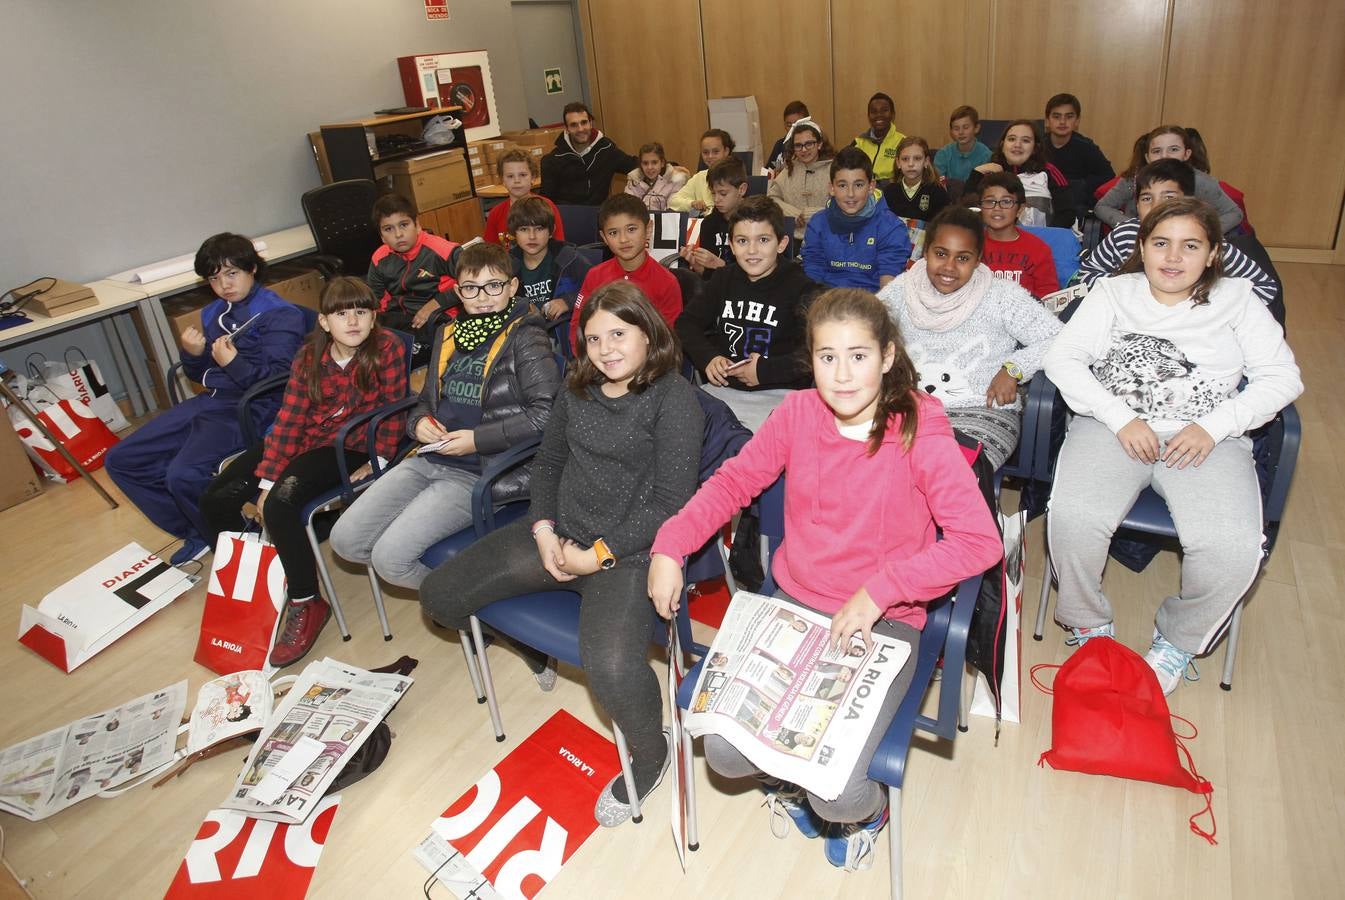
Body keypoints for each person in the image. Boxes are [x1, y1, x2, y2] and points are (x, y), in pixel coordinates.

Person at [648, 288, 1001, 870]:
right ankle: (794, 775)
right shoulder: (797, 413)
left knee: (836, 796)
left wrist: (882, 590)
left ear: (887, 357)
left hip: (884, 619)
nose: (841, 375)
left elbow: (979, 541)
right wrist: (671, 544)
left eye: (858, 356)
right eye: (826, 357)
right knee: (725, 757)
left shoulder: (918, 432)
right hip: (795, 601)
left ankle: (867, 815)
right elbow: (734, 482)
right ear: (809, 360)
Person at [420, 281, 705, 827]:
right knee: (440, 596)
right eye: (594, 339)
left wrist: (596, 555)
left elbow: (671, 503)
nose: (606, 350)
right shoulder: (579, 388)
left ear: (648, 334)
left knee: (612, 669)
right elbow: (548, 465)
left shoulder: (674, 399)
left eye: (618, 334)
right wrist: (545, 528)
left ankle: (651, 753)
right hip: (561, 536)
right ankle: (530, 647)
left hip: (628, 554)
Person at [1043, 197, 1301, 695]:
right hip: (1113, 427)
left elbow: (1282, 377)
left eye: (1191, 246)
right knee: (1073, 517)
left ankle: (1177, 641)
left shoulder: (1238, 299)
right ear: (1142, 247)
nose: (1173, 257)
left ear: (1213, 253)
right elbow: (1064, 359)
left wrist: (1216, 425)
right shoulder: (1113, 292)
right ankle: (1088, 622)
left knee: (1233, 546)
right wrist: (1120, 417)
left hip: (1206, 437)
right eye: (1161, 243)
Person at [199, 276, 408, 666]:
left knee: (281, 504)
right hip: (307, 437)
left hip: (348, 445)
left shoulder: (387, 348)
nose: (353, 321)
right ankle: (266, 575)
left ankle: (307, 600)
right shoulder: (309, 356)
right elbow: (291, 419)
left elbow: (394, 410)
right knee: (217, 497)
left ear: (373, 317)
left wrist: (377, 458)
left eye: (361, 312)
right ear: (324, 322)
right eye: (341, 314)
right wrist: (267, 478)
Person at [330, 243, 560, 592]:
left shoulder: (527, 337)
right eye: (471, 288)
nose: (482, 297)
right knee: (345, 540)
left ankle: (468, 605)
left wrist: (476, 440)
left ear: (512, 287)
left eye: (493, 285)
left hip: (483, 470)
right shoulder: (448, 333)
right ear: (458, 292)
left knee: (390, 560)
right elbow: (424, 401)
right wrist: (418, 423)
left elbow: (547, 414)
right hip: (428, 457)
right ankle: (460, 595)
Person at [105, 233, 307, 565]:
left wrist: (234, 363)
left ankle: (236, 538)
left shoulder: (280, 314)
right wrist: (193, 354)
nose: (224, 285)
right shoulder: (213, 312)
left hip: (253, 408)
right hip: (211, 401)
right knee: (121, 460)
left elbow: (279, 382)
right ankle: (197, 530)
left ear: (253, 269)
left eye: (232, 273)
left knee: (182, 474)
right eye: (214, 278)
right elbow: (201, 375)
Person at [878, 205, 1061, 468]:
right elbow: (864, 330)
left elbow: (1058, 338)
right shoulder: (901, 289)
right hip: (906, 408)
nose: (949, 267)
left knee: (949, 473)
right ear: (925, 251)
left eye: (963, 258)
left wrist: (1014, 369)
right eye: (941, 254)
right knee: (874, 468)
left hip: (981, 411)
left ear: (977, 260)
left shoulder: (1002, 295)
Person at [676, 196, 820, 429]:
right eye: (742, 241)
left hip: (779, 394)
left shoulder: (802, 288)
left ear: (781, 244)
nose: (752, 250)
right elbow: (686, 324)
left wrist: (764, 371)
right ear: (731, 245)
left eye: (763, 240)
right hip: (723, 391)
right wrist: (709, 357)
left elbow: (814, 353)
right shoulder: (723, 279)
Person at [1078, 159, 1279, 309]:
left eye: (1168, 197)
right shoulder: (1124, 233)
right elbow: (1085, 275)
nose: (1156, 206)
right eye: (1147, 198)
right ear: (1136, 205)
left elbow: (1264, 287)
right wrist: (1131, 289)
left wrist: (1201, 298)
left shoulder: (1205, 241)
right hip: (1130, 320)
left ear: (1189, 200)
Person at [569, 194, 682, 353]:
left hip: (648, 364)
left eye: (631, 229)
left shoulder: (666, 281)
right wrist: (587, 359)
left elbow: (669, 339)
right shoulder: (594, 276)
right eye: (613, 233)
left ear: (648, 229)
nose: (623, 239)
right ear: (604, 238)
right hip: (598, 359)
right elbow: (578, 326)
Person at [367, 192, 460, 366]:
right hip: (400, 319)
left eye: (404, 225)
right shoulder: (379, 258)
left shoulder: (443, 250)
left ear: (417, 225)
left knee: (404, 358)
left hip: (440, 318)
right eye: (388, 229)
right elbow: (373, 300)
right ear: (381, 236)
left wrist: (436, 304)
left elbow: (475, 283)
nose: (398, 234)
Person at [1094, 125, 1243, 233]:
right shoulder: (1133, 179)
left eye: (1174, 149)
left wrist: (1203, 231)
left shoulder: (1201, 182)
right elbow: (1102, 206)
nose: (1165, 156)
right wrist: (1131, 227)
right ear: (1147, 157)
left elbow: (1234, 213)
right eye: (1156, 151)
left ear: (1186, 154)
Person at [801, 147, 911, 291]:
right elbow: (813, 273)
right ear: (832, 188)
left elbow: (888, 286)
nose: (850, 194)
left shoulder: (892, 227)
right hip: (827, 298)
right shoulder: (818, 223)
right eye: (842, 185)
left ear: (871, 186)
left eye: (858, 185)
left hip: (873, 299)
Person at [504, 196, 594, 323]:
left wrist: (568, 301)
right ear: (514, 233)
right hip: (525, 331)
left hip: (563, 329)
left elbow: (599, 288)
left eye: (539, 229)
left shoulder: (568, 258)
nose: (532, 236)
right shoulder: (507, 265)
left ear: (551, 231)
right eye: (524, 229)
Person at [966, 120, 1069, 226]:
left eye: (1025, 140)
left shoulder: (1048, 171)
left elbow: (1067, 213)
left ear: (1035, 147)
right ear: (1002, 145)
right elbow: (967, 211)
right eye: (1011, 139)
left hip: (1039, 234)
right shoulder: (989, 172)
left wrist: (1047, 234)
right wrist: (976, 175)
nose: (1017, 145)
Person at [977, 173, 1060, 300]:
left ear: (1020, 209)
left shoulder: (1039, 249)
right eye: (989, 201)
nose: (997, 208)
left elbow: (1048, 295)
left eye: (1006, 202)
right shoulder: (970, 244)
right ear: (980, 207)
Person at [539, 101, 639, 206]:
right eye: (573, 125)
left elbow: (635, 164)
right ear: (567, 129)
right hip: (567, 214)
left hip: (598, 213)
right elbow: (546, 202)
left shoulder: (606, 149)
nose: (580, 129)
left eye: (584, 122)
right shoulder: (552, 161)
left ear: (590, 123)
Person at [680, 156, 749, 276]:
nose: (716, 199)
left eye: (723, 193)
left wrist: (719, 264)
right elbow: (708, 277)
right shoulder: (709, 224)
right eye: (713, 193)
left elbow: (756, 273)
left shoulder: (755, 222)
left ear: (741, 189)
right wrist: (696, 264)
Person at [482, 148, 565, 246]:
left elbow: (559, 246)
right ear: (502, 180)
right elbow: (490, 250)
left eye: (522, 175)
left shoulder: (547, 206)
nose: (517, 180)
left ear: (533, 177)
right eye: (510, 176)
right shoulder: (495, 214)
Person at [768, 120, 834, 241]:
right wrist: (791, 213)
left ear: (819, 144)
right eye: (798, 145)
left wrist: (815, 214)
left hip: (827, 238)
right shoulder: (789, 169)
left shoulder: (834, 169)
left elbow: (844, 204)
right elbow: (772, 198)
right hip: (793, 239)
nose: (803, 150)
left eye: (809, 144)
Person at [1042, 93, 1114, 196]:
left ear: (1077, 121)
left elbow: (1109, 177)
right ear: (1047, 121)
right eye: (1056, 116)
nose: (1062, 121)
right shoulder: (1037, 145)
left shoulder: (1087, 147)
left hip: (1076, 200)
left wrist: (1079, 186)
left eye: (1069, 117)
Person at [882, 137, 951, 222]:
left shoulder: (937, 192)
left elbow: (944, 225)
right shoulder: (889, 192)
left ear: (926, 161)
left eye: (917, 158)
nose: (911, 164)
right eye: (905, 159)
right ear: (898, 163)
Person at [670, 129, 736, 215]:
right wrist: (692, 203)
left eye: (716, 152)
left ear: (726, 151)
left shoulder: (735, 177)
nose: (710, 156)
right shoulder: (699, 177)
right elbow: (673, 202)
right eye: (705, 152)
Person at [851, 92, 905, 183]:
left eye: (884, 110)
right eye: (873, 112)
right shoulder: (858, 142)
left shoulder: (903, 142)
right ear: (868, 116)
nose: (879, 115)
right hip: (863, 188)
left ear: (893, 114)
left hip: (891, 189)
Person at [933, 105, 992, 185]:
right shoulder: (943, 154)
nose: (961, 132)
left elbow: (986, 186)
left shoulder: (986, 155)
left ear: (976, 128)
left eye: (966, 127)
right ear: (951, 131)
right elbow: (938, 183)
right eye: (956, 128)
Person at [624, 141, 689, 212]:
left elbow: (673, 209)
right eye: (645, 163)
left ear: (662, 163)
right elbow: (628, 210)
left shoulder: (675, 181)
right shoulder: (633, 181)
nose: (649, 167)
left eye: (654, 162)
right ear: (640, 164)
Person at [768, 100, 811, 172]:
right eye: (789, 125)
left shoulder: (813, 145)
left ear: (808, 123)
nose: (792, 129)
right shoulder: (780, 145)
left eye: (797, 124)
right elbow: (769, 170)